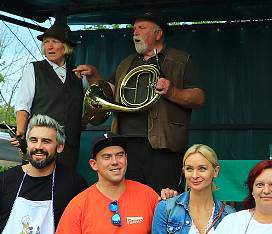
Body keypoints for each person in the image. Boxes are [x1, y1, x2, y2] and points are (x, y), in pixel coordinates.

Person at [74, 14, 204, 193]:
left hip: (163, 145)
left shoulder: (181, 60)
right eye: (134, 29)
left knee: (164, 199)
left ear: (158, 34)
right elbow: (108, 93)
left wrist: (172, 91)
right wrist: (94, 76)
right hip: (126, 142)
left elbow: (198, 98)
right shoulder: (126, 62)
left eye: (141, 28)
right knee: (130, 198)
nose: (134, 32)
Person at [11, 16, 84, 170]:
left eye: (54, 42)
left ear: (66, 47)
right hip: (41, 145)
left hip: (68, 146)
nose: (49, 46)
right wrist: (21, 132)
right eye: (45, 43)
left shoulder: (78, 74)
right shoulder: (34, 69)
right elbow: (23, 104)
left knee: (65, 186)